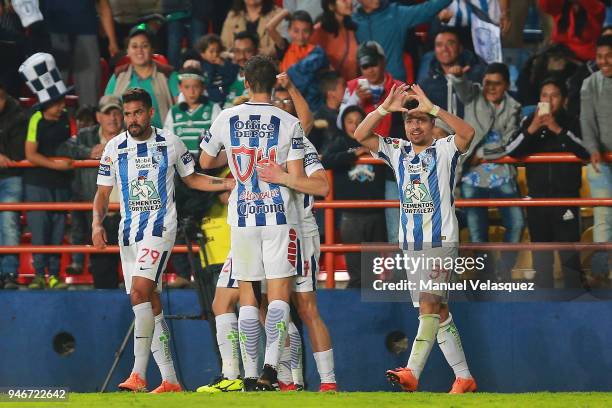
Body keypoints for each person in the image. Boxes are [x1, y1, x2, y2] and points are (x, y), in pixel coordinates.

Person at [197, 72, 336, 393]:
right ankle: (258, 374)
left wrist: (282, 176)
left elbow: (322, 186)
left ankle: (308, 381)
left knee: (301, 306)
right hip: (264, 223)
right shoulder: (283, 128)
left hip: (295, 229)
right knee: (247, 300)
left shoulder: (297, 139)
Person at [92, 87, 233, 393]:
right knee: (149, 303)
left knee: (139, 294)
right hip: (128, 234)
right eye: (127, 114)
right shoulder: (113, 148)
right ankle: (170, 380)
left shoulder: (170, 141)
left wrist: (227, 182)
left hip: (160, 229)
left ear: (150, 112)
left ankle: (138, 374)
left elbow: (192, 177)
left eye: (137, 112)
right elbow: (102, 193)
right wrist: (96, 223)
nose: (132, 119)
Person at [352, 83, 477, 393]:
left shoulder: (445, 148)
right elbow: (360, 135)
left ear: (432, 124)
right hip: (410, 243)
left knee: (428, 304)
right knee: (439, 312)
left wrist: (432, 106)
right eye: (410, 120)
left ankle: (412, 371)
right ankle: (464, 377)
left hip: (441, 240)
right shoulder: (397, 150)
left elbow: (468, 133)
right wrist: (384, 108)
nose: (415, 125)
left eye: (421, 119)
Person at [505, 78, 589, 289]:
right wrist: (532, 128)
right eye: (544, 96)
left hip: (566, 198)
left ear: (564, 100)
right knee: (541, 254)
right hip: (537, 200)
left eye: (554, 96)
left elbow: (586, 151)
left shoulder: (572, 121)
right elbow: (511, 151)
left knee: (568, 252)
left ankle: (575, 299)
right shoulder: (529, 122)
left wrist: (556, 128)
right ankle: (543, 303)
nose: (549, 100)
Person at [450, 62, 524, 281]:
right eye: (487, 83)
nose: (491, 88)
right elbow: (463, 88)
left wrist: (482, 152)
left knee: (517, 223)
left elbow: (510, 142)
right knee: (477, 233)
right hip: (472, 177)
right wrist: (457, 77)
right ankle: (485, 278)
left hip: (503, 173)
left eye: (497, 83)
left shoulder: (515, 107)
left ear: (507, 85)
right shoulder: (474, 96)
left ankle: (503, 270)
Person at [19, 53, 74, 290]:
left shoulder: (66, 119)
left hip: (60, 184)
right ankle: (40, 275)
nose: (63, 105)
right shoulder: (35, 118)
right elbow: (30, 153)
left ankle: (55, 276)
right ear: (47, 103)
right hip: (38, 184)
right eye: (58, 101)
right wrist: (56, 165)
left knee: (57, 231)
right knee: (40, 231)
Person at [57, 95, 124, 288]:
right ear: (98, 117)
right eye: (107, 113)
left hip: (129, 214)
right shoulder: (86, 136)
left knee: (137, 275)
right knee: (103, 275)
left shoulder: (133, 136)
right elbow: (65, 147)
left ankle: (141, 315)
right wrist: (88, 152)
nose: (112, 118)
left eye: (116, 112)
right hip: (99, 216)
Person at [322, 105, 387, 288]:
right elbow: (325, 160)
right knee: (356, 267)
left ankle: (375, 301)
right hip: (351, 214)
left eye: (359, 121)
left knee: (374, 267)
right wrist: (354, 154)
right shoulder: (340, 142)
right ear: (343, 124)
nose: (354, 125)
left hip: (376, 212)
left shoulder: (375, 141)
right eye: (350, 122)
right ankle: (355, 302)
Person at [41, 0, 119, 107]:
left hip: (85, 33)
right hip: (52, 35)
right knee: (51, 98)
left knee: (89, 98)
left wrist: (112, 41)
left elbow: (103, 5)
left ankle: (89, 121)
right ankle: (50, 123)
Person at [353, 0, 452, 82]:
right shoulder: (353, 20)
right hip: (366, 87)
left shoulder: (396, 14)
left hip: (394, 85)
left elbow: (427, 9)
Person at [580, 34, 612, 282]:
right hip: (600, 162)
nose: (604, 61)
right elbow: (586, 121)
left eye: (609, 56)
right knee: (603, 216)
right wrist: (593, 148)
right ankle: (601, 273)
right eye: (600, 56)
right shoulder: (590, 84)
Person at [105, 24, 180, 128]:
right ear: (128, 51)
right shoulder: (118, 75)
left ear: (152, 49)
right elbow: (106, 108)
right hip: (126, 139)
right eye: (134, 46)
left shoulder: (168, 74)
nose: (139, 50)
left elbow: (181, 108)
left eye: (144, 46)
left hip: (162, 138)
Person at [266, 9, 329, 111]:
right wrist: (285, 12)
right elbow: (269, 28)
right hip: (287, 101)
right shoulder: (285, 48)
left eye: (305, 31)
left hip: (310, 103)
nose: (300, 36)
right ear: (289, 30)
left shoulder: (317, 52)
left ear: (312, 31)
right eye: (296, 31)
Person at [418, 27, 487, 119]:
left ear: (460, 48)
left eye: (450, 43)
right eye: (439, 45)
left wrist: (460, 78)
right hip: (440, 131)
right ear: (434, 50)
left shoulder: (477, 74)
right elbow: (429, 111)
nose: (444, 49)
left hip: (472, 131)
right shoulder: (426, 81)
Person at [0, 82, 26, 290]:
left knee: (9, 223)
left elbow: (18, 154)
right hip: (9, 175)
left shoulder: (18, 113)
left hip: (11, 177)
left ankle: (9, 273)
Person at [164, 68, 222, 157]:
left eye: (196, 86)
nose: (191, 92)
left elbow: (220, 138)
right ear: (180, 88)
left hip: (206, 166)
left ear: (203, 88)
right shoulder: (173, 112)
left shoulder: (213, 108)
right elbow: (167, 141)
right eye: (187, 87)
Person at [539, 0, 606, 62]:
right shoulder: (561, 6)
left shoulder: (597, 8)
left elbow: (596, 8)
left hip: (583, 63)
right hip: (559, 56)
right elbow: (546, 5)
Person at [311, 0, 359, 82]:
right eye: (344, 0)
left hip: (355, 87)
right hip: (332, 89)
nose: (349, 2)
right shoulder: (319, 32)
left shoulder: (352, 28)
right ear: (331, 5)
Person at [195, 34, 240, 104]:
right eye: (211, 51)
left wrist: (223, 65)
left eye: (218, 51)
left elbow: (233, 76)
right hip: (210, 98)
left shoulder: (225, 63)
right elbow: (207, 81)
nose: (215, 54)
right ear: (203, 54)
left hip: (227, 94)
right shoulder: (201, 66)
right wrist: (211, 67)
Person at [311, 70, 345, 153]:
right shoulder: (318, 118)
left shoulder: (346, 113)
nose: (347, 90)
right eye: (343, 86)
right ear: (331, 93)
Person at [225, 31, 260, 108]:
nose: (242, 56)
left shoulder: (263, 80)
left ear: (257, 52)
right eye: (237, 51)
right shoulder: (228, 76)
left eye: (248, 51)